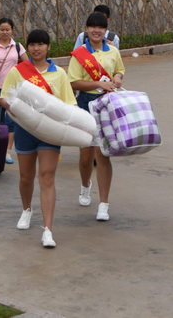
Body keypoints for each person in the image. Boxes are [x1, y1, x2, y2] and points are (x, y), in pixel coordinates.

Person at [0, 29, 76, 248]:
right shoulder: (18, 71)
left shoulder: (59, 74)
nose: (36, 48)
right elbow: (5, 98)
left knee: (47, 176)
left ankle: (48, 230)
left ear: (48, 47)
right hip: (24, 130)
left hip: (50, 132)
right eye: (32, 45)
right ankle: (26, 209)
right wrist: (12, 105)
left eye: (40, 44)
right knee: (26, 177)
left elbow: (69, 104)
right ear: (27, 47)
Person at [68, 11, 126, 221]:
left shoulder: (113, 51)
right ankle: (85, 186)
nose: (96, 30)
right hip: (85, 103)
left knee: (103, 154)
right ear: (87, 29)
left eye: (100, 27)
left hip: (107, 104)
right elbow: (73, 82)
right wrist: (98, 83)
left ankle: (104, 204)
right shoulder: (79, 54)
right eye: (92, 26)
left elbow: (119, 70)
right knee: (86, 157)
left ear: (105, 30)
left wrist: (117, 78)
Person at [0, 17, 28, 164]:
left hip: (13, 89)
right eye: (2, 29)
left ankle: (7, 151)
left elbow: (28, 64)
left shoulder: (17, 47)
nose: (5, 32)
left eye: (8, 29)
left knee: (11, 120)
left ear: (12, 30)